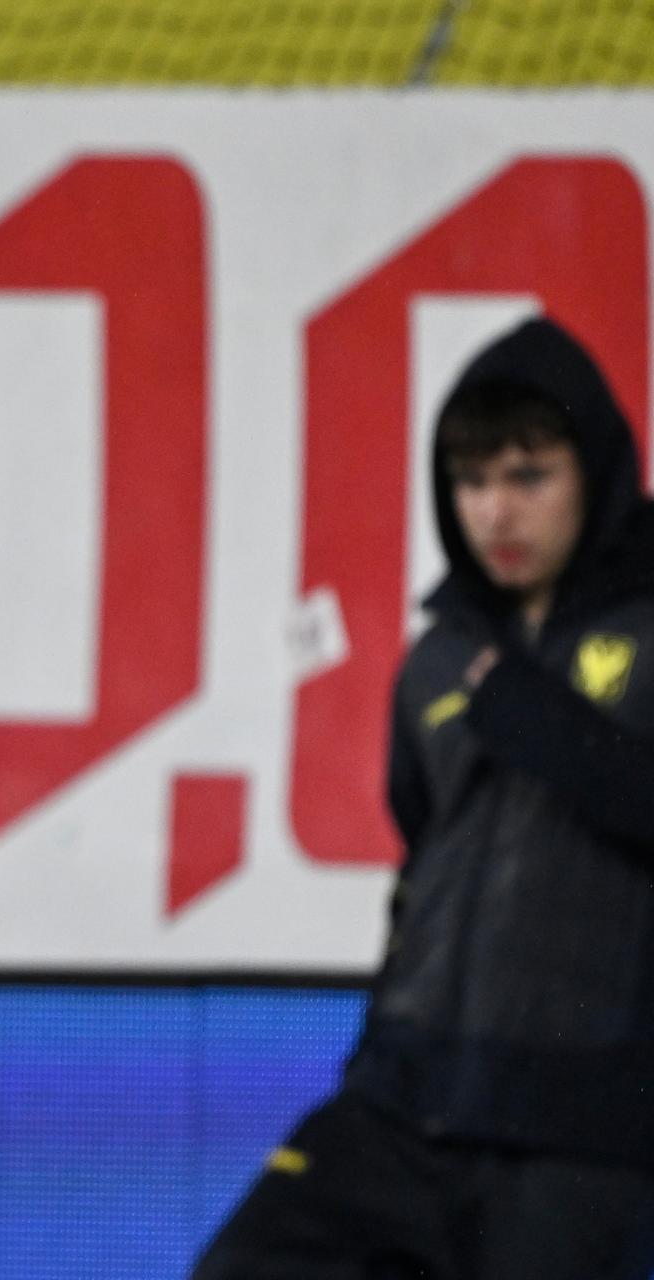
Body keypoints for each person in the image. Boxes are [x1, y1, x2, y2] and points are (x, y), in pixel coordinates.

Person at [194, 317, 654, 1279]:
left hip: (583, 1131)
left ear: (596, 469)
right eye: (473, 481)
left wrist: (529, 712)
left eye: (529, 476)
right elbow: (427, 865)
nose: (497, 512)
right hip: (405, 1104)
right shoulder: (436, 661)